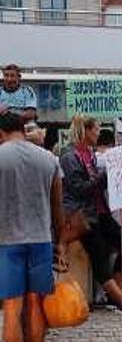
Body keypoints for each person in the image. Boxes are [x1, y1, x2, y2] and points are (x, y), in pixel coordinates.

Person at [60, 114, 122, 314]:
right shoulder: (70, 156)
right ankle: (119, 298)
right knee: (99, 252)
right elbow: (78, 188)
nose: (98, 133)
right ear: (84, 131)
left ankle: (117, 288)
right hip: (81, 215)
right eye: (95, 129)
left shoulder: (90, 153)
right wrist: (105, 176)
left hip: (97, 211)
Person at [0, 111, 64, 342]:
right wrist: (61, 241)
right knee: (36, 301)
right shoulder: (48, 158)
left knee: (11, 304)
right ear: (23, 129)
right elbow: (58, 204)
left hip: (7, 241)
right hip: (41, 239)